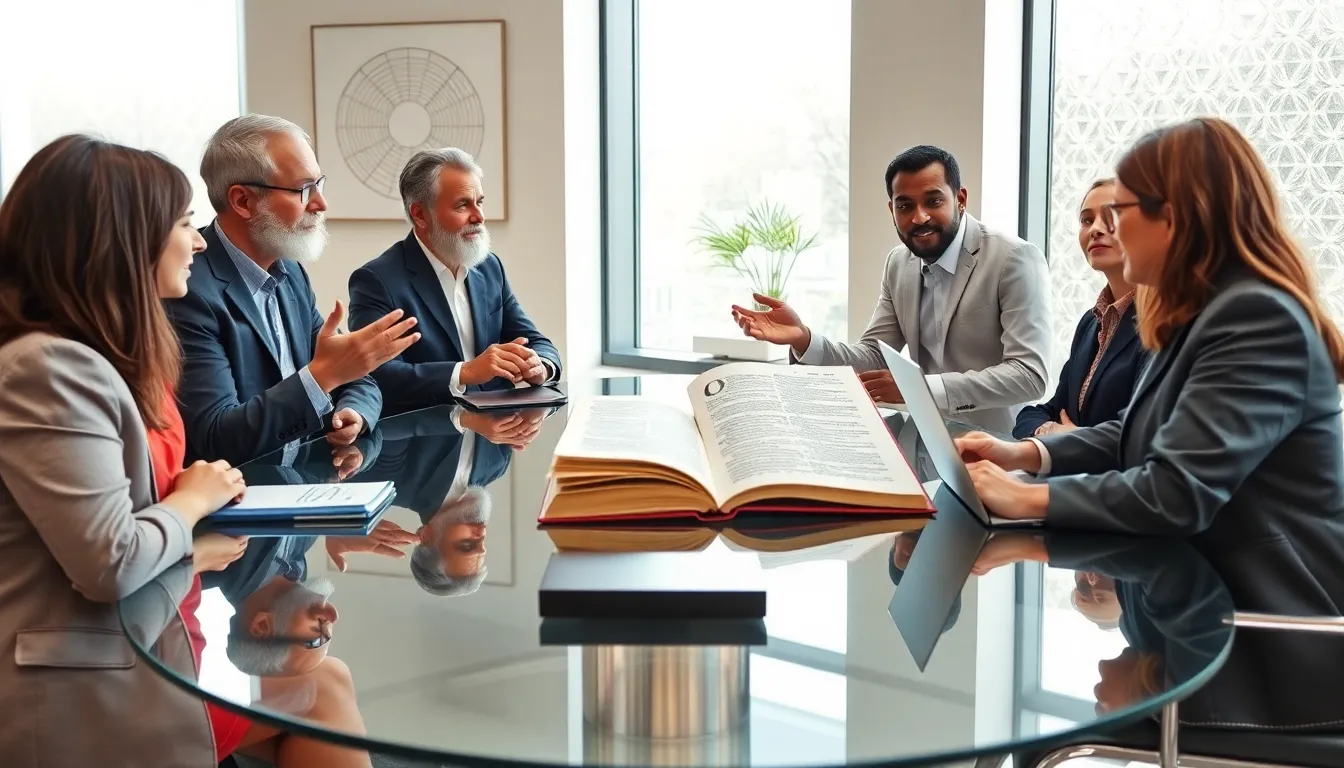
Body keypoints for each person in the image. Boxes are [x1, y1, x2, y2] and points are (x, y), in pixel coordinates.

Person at [954, 119, 1344, 601]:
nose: (1108, 227)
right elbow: (1138, 432)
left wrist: (1024, 496)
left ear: (1177, 215)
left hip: (1268, 619)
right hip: (1199, 596)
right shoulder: (1197, 315)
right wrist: (1025, 454)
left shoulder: (1256, 317)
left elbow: (1178, 492)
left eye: (1119, 209)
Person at [0, 135, 249, 766]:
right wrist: (192, 504)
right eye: (187, 223)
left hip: (123, 650)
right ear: (122, 241)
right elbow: (108, 562)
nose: (199, 242)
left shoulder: (93, 358)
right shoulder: (48, 370)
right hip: (73, 691)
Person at [732, 145, 1051, 433]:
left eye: (934, 201)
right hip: (928, 443)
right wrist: (803, 338)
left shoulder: (1014, 259)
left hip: (1003, 451)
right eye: (905, 206)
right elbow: (874, 355)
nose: (920, 217)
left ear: (961, 199)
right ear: (892, 211)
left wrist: (921, 389)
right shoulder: (899, 263)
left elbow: (1028, 375)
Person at [166, 114, 420, 465]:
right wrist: (323, 377)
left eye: (320, 184)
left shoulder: (290, 271)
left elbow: (356, 379)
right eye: (304, 189)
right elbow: (217, 437)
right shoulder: (190, 290)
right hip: (239, 506)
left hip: (309, 483)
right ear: (242, 201)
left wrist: (353, 412)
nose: (320, 203)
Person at [349, 148, 560, 415]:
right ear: (420, 215)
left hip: (492, 441)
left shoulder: (490, 267)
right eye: (463, 205)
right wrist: (465, 372)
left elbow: (534, 340)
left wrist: (541, 365)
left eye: (479, 202)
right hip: (423, 444)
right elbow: (378, 376)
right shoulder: (377, 281)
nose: (479, 216)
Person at [1013, 179, 1147, 439]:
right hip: (1071, 475)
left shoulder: (1162, 322)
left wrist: (1074, 440)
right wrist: (1048, 430)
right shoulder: (1090, 322)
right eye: (1087, 220)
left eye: (1112, 216)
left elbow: (1139, 438)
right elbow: (1044, 411)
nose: (1095, 229)